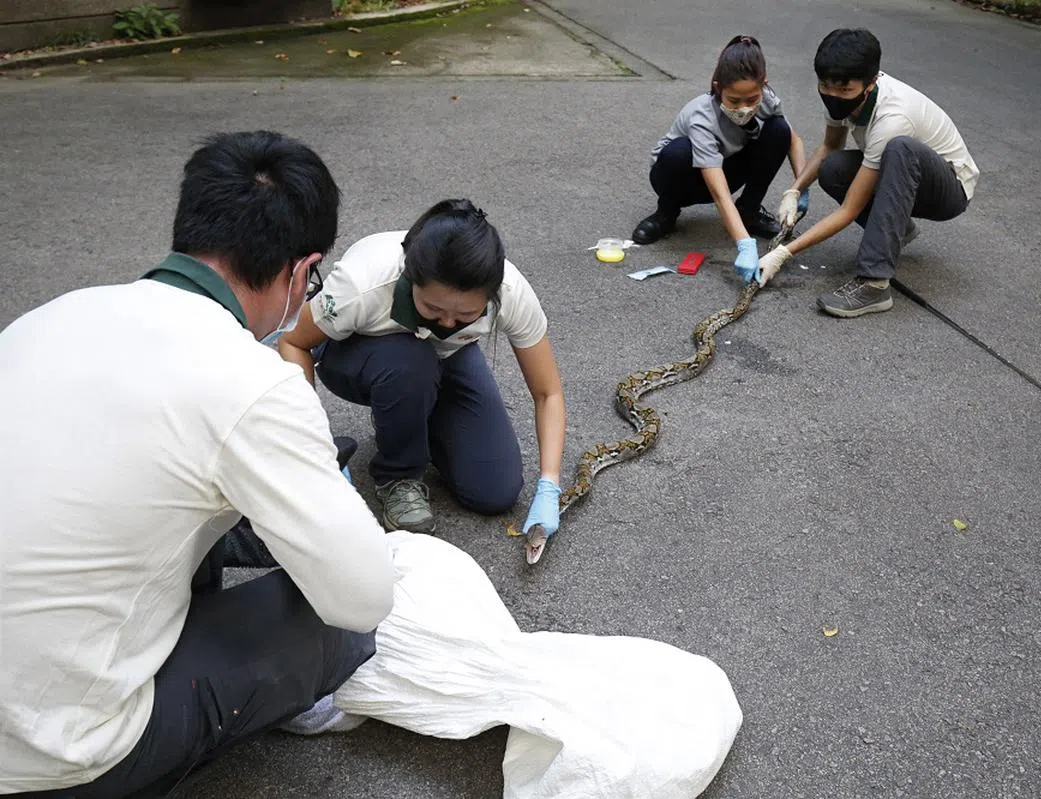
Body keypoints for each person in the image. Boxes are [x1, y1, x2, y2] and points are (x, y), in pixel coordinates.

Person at [0, 131, 395, 798]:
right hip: (56, 755)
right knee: (339, 630)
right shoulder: (253, 382)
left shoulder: (47, 318)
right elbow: (362, 595)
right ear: (302, 272)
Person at [278, 199, 566, 540]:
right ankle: (398, 477)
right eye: (432, 307)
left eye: (465, 316)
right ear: (410, 276)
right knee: (410, 362)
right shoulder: (363, 283)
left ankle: (412, 417)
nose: (446, 321)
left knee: (495, 491)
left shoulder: (510, 290)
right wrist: (317, 445)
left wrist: (550, 485)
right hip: (357, 353)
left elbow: (548, 393)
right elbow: (293, 342)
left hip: (446, 358)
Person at [758, 28, 980, 316]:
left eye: (844, 90)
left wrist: (783, 253)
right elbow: (829, 146)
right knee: (832, 168)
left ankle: (874, 283)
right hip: (903, 176)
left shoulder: (893, 117)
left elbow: (851, 208)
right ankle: (897, 232)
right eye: (826, 86)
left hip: (948, 189)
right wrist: (795, 189)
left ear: (870, 83)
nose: (834, 95)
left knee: (901, 149)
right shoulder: (839, 93)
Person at [631, 34, 809, 284]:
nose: (744, 108)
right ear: (717, 87)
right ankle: (666, 213)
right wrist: (744, 246)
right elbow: (720, 194)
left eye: (752, 99)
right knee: (678, 152)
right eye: (734, 101)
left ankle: (749, 210)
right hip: (685, 176)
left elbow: (794, 140)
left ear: (764, 86)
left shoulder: (767, 98)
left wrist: (800, 188)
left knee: (779, 129)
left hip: (727, 164)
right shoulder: (702, 115)